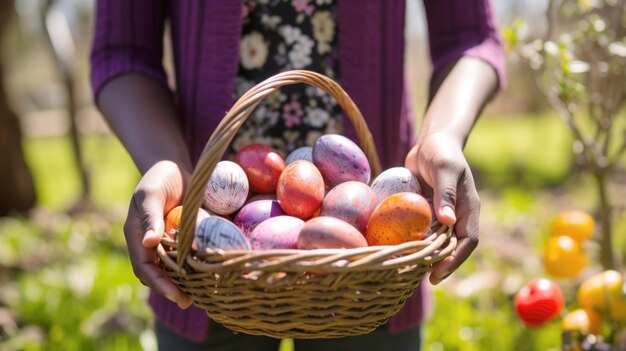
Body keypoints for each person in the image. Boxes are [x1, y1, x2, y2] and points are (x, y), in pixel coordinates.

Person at [90, 0, 505, 350]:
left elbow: (469, 38)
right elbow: (123, 51)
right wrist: (165, 162)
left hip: (371, 272)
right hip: (205, 263)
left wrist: (442, 137)